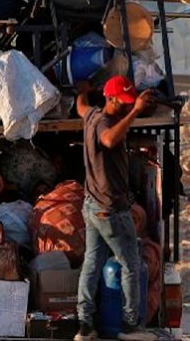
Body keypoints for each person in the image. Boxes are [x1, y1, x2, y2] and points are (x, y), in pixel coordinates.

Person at [74, 76, 155, 341]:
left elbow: (80, 105)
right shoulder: (106, 124)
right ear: (111, 99)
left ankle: (85, 325)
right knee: (131, 265)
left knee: (92, 263)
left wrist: (84, 90)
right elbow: (109, 140)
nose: (127, 106)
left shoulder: (91, 115)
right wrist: (135, 112)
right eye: (124, 103)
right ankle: (131, 326)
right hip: (111, 210)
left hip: (92, 206)